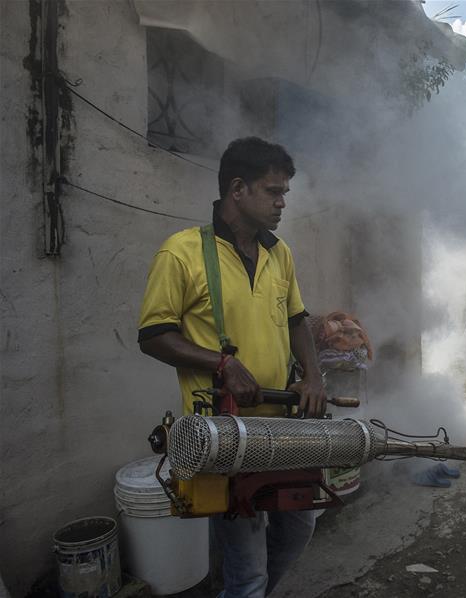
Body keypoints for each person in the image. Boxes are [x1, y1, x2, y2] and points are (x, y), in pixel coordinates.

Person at [138, 137, 327, 597]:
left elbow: (296, 320)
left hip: (282, 427)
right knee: (247, 569)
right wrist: (221, 363)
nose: (282, 203)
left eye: (285, 193)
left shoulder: (279, 253)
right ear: (237, 189)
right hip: (222, 434)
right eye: (273, 191)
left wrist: (313, 375)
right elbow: (154, 335)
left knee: (299, 529)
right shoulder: (181, 252)